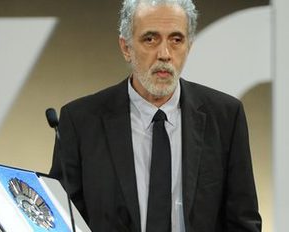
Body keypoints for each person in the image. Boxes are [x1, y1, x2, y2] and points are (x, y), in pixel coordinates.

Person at [49, 0, 262, 231]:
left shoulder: (225, 117)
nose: (164, 54)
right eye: (150, 39)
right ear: (126, 47)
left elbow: (243, 222)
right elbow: (60, 220)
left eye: (176, 39)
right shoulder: (80, 121)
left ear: (189, 46)